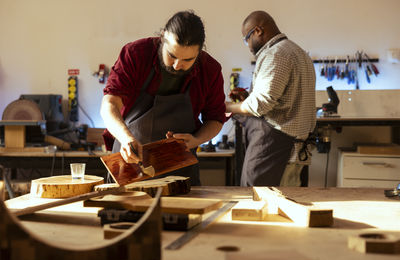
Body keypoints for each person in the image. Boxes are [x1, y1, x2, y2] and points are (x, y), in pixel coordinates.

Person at [100, 10, 226, 185]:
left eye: (188, 60)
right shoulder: (136, 54)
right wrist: (126, 138)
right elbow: (109, 104)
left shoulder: (210, 70)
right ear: (162, 37)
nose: (177, 65)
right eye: (172, 55)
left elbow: (215, 119)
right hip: (130, 161)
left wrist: (197, 140)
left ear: (200, 51)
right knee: (123, 209)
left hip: (180, 166)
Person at [226, 10, 316, 186]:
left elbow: (260, 105)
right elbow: (281, 99)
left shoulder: (275, 54)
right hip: (293, 148)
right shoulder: (299, 52)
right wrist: (247, 99)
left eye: (247, 39)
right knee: (288, 204)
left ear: (258, 31)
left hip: (275, 147)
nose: (249, 46)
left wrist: (226, 107)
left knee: (259, 202)